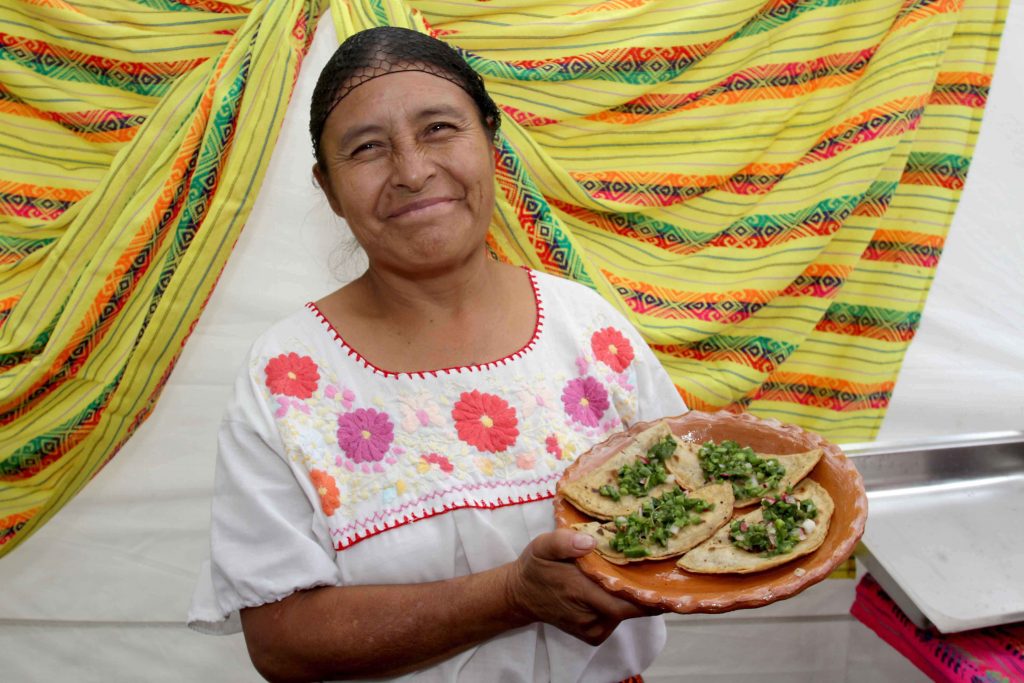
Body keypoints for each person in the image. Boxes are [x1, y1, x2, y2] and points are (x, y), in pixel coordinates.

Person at [188, 26, 687, 682]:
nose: (413, 171)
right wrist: (510, 595)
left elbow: (691, 503)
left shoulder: (589, 330)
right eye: (367, 148)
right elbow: (281, 640)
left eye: (440, 129)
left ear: (491, 143)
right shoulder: (288, 375)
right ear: (330, 188)